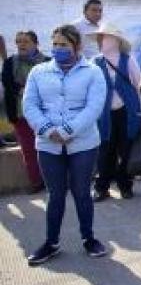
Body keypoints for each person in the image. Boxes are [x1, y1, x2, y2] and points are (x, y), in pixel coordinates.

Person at [22, 24, 108, 265]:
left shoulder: (92, 72)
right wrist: (48, 130)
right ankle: (51, 243)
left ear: (77, 46)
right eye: (55, 44)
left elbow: (94, 107)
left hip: (83, 143)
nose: (58, 49)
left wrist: (69, 130)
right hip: (48, 144)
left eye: (64, 45)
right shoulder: (39, 71)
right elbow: (30, 105)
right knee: (55, 195)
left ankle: (88, 238)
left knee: (82, 192)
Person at [89, 23, 141, 202]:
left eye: (103, 37)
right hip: (104, 114)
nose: (100, 40)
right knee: (105, 149)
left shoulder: (128, 60)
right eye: (100, 37)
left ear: (114, 40)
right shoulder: (95, 62)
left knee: (126, 150)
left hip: (127, 112)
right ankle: (101, 186)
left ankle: (125, 185)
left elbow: (139, 84)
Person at [2, 31, 50, 192]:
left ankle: (53, 180)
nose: (21, 45)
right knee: (28, 150)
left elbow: (52, 85)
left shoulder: (48, 62)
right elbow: (8, 84)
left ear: (36, 44)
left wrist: (29, 91)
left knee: (49, 148)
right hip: (20, 113)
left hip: (45, 114)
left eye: (26, 41)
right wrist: (25, 90)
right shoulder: (9, 63)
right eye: (18, 42)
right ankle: (36, 182)